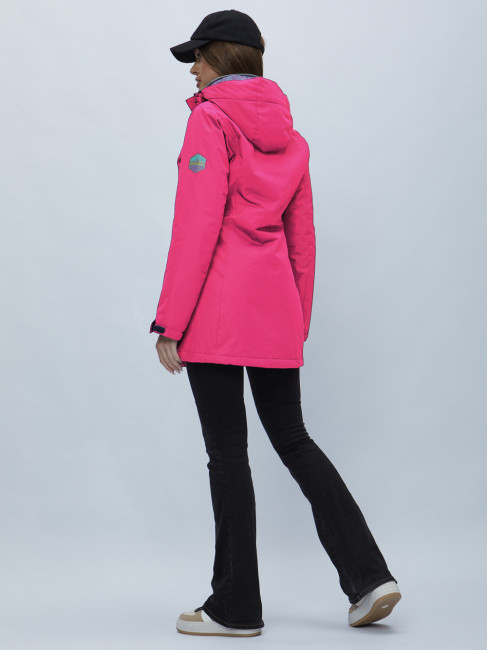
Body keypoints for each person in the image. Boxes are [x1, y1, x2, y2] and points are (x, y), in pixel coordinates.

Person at [150, 9, 401, 638]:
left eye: (198, 57)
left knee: (227, 453)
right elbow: (301, 240)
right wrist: (296, 318)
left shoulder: (209, 120)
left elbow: (197, 226)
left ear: (221, 57)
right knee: (294, 438)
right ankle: (370, 577)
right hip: (274, 309)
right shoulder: (292, 137)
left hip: (214, 311)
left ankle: (236, 607)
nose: (193, 69)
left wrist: (170, 321)